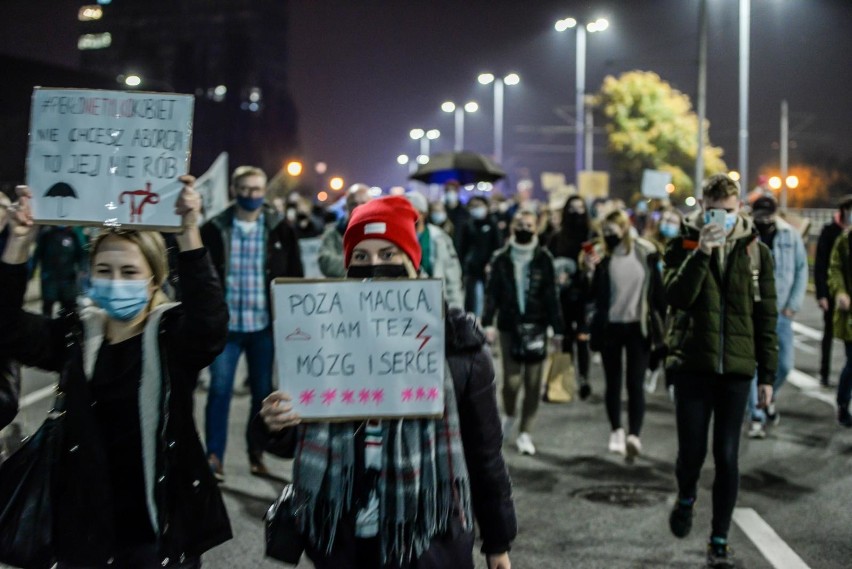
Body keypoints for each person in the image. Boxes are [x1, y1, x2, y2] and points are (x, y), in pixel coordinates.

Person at [256, 196, 516, 569]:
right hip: (344, 542)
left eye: (389, 253)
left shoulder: (459, 345)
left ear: (414, 263)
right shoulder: (324, 338)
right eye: (360, 257)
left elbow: (485, 454)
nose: (374, 265)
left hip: (428, 542)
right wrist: (273, 423)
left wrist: (498, 543)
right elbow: (292, 439)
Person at [0, 180, 232, 567]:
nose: (116, 280)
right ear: (90, 276)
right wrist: (17, 244)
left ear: (155, 279)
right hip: (83, 522)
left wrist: (190, 232)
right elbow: (7, 327)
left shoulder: (171, 335)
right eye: (104, 270)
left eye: (129, 271)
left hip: (156, 522)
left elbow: (210, 326)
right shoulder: (77, 333)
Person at [664, 174, 777, 568]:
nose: (721, 219)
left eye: (728, 211)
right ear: (702, 208)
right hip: (694, 364)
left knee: (727, 456)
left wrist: (767, 377)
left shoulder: (757, 253)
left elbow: (767, 316)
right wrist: (702, 254)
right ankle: (686, 496)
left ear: (740, 208)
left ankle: (718, 540)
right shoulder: (683, 243)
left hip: (738, 369)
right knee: (692, 453)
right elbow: (675, 296)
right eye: (713, 211)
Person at [200, 165, 304, 481]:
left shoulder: (279, 229)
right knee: (219, 391)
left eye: (257, 189)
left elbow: (294, 275)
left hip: (263, 328)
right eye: (245, 189)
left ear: (265, 191)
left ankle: (256, 452)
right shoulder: (215, 229)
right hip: (226, 328)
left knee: (263, 394)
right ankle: (214, 456)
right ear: (234, 190)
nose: (251, 195)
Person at [482, 208, 564, 455]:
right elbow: (492, 293)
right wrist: (487, 323)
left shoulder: (544, 258)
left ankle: (526, 432)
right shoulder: (501, 258)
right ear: (511, 228)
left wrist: (557, 329)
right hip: (509, 325)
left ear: (536, 228)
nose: (525, 229)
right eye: (520, 224)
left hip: (537, 325)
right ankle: (509, 413)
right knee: (511, 381)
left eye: (529, 225)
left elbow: (552, 295)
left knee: (533, 382)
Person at [586, 210, 665, 462]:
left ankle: (634, 435)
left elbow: (658, 291)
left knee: (635, 383)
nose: (609, 235)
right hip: (610, 326)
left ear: (624, 227)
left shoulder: (645, 252)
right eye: (605, 230)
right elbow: (590, 293)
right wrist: (590, 271)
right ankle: (616, 431)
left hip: (637, 326)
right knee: (613, 382)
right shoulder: (599, 255)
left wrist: (663, 325)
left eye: (613, 229)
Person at [746, 195, 808, 438]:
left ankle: (768, 396)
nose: (763, 218)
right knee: (752, 366)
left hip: (781, 311)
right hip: (751, 311)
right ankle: (756, 416)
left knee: (784, 365)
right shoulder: (746, 235)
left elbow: (802, 269)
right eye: (759, 214)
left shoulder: (789, 235)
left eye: (767, 213)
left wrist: (793, 304)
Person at [546, 195, 594, 399]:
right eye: (572, 209)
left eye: (580, 208)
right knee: (564, 338)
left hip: (584, 295)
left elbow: (595, 262)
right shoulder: (557, 237)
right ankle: (562, 385)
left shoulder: (589, 237)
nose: (576, 213)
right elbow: (548, 263)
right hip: (563, 296)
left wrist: (588, 270)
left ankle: (583, 378)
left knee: (582, 337)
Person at [644, 206, 683, 395]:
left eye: (673, 221)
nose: (668, 225)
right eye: (666, 220)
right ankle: (653, 369)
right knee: (657, 341)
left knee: (672, 344)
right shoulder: (650, 246)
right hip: (654, 302)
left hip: (674, 302)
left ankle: (672, 382)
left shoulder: (684, 247)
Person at [815, 195, 852, 388]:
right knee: (829, 333)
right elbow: (823, 265)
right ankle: (824, 372)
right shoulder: (831, 232)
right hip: (834, 293)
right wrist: (822, 294)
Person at [404, 191, 464, 309]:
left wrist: (456, 306)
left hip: (435, 300)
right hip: (407, 303)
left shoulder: (439, 237)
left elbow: (452, 274)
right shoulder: (397, 239)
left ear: (423, 214)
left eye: (412, 211)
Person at [458, 196, 502, 317]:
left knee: (488, 297)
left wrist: (492, 263)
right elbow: (462, 248)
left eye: (478, 206)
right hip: (472, 268)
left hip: (488, 268)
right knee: (471, 298)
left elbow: (498, 245)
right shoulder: (468, 224)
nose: (475, 209)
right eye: (473, 206)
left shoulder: (492, 223)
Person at [30, 224, 87, 316]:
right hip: (49, 279)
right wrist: (30, 272)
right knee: (47, 308)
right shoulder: (46, 234)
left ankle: (67, 328)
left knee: (69, 309)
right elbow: (37, 254)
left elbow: (81, 255)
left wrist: (83, 268)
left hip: (68, 280)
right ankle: (47, 328)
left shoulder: (73, 234)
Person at [318, 183, 372, 278]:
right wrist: (365, 268)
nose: (358, 207)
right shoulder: (333, 232)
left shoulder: (380, 230)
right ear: (346, 206)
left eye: (363, 203)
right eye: (353, 204)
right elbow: (326, 263)